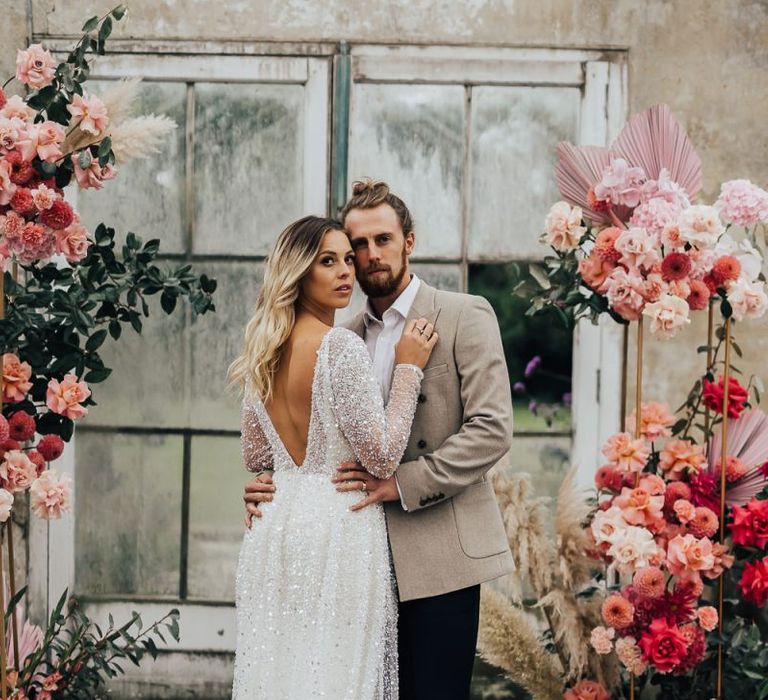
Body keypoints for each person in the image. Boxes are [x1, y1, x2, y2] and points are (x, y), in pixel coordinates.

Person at [244, 181, 516, 699]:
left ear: (409, 241)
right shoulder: (337, 334)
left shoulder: (464, 315)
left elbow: (492, 430)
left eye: (382, 240)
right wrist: (270, 482)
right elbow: (302, 440)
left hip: (438, 554)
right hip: (351, 552)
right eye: (355, 246)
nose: (367, 257)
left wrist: (402, 483)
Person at [228, 214, 438, 699]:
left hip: (276, 529)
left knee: (282, 675)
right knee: (336, 678)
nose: (347, 271)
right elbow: (384, 457)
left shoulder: (264, 350)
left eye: (348, 259)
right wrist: (408, 368)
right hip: (337, 530)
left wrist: (273, 478)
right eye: (328, 261)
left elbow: (255, 452)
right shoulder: (339, 345)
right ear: (298, 272)